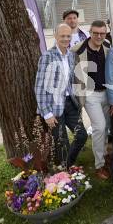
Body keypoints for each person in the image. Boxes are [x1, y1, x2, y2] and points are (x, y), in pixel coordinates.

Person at [35, 24, 87, 167]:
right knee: (61, 141)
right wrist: (46, 113)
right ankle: (66, 170)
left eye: (68, 36)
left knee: (82, 135)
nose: (65, 39)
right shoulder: (47, 56)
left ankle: (68, 163)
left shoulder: (71, 55)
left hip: (70, 104)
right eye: (62, 36)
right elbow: (39, 87)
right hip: (53, 107)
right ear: (56, 36)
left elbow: (70, 80)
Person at [72, 20, 111, 180]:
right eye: (95, 33)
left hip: (107, 93)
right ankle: (99, 165)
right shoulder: (78, 49)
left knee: (107, 126)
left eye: (102, 33)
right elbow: (74, 76)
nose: (99, 36)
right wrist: (78, 101)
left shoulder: (108, 46)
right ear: (90, 32)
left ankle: (105, 154)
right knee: (99, 127)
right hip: (90, 94)